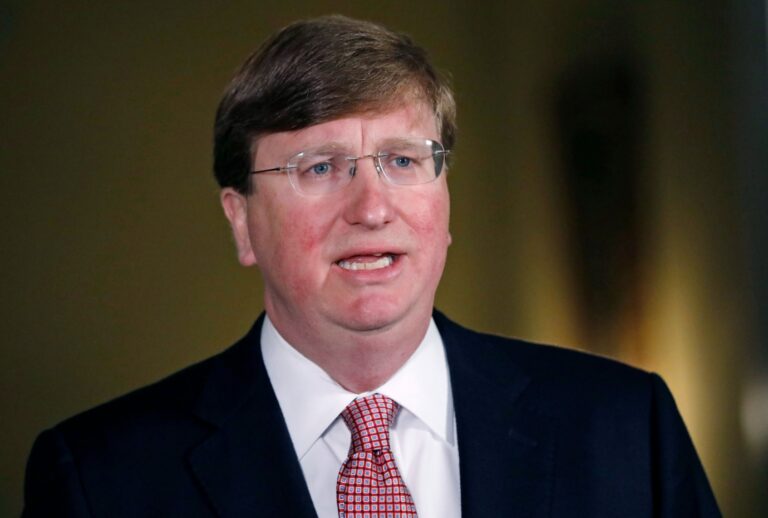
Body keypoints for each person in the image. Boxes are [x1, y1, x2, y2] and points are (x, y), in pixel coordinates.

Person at [23, 15, 720, 518]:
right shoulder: (101, 478)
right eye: (320, 167)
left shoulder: (627, 429)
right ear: (242, 221)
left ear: (444, 200)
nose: (371, 207)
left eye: (403, 160)